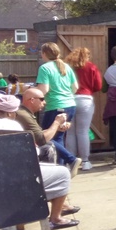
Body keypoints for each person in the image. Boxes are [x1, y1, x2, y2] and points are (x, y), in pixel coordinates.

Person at [0, 94, 79, 230]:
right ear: (10, 112)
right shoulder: (12, 125)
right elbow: (32, 152)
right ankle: (56, 218)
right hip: (17, 179)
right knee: (62, 173)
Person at [15, 87, 82, 177]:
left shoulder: (25, 113)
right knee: (49, 146)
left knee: (50, 142)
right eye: (42, 99)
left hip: (20, 148)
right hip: (22, 152)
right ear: (32, 100)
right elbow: (41, 139)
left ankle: (69, 161)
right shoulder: (24, 115)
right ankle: (54, 175)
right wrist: (57, 122)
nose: (45, 102)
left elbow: (38, 134)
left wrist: (57, 128)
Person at [36, 42, 81, 171]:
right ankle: (61, 169)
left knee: (45, 136)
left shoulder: (44, 68)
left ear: (44, 53)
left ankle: (71, 160)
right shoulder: (66, 67)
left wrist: (32, 91)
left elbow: (43, 90)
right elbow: (75, 87)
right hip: (70, 105)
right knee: (59, 137)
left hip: (55, 106)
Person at [65, 47, 102, 171]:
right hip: (85, 99)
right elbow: (98, 85)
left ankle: (71, 161)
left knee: (70, 132)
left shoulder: (67, 67)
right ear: (87, 56)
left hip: (69, 98)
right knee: (83, 131)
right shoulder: (91, 66)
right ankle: (85, 162)